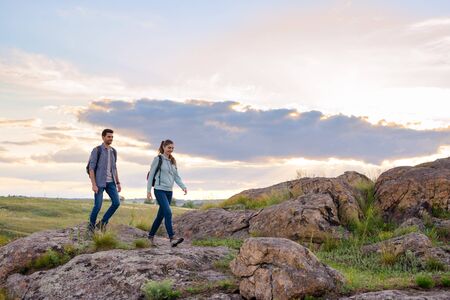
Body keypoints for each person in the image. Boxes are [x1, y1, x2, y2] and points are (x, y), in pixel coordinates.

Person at [147, 139, 187, 247]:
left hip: (169, 191)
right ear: (164, 147)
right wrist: (148, 191)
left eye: (172, 148)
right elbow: (151, 175)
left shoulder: (173, 161)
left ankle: (150, 236)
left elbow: (176, 177)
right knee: (168, 212)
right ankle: (172, 238)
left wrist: (183, 186)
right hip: (159, 190)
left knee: (160, 216)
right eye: (169, 147)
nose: (171, 150)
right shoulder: (158, 159)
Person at [87, 128, 121, 234]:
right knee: (97, 206)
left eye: (112, 137)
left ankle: (102, 223)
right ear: (103, 137)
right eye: (108, 136)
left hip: (111, 182)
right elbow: (91, 168)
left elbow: (114, 168)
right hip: (99, 182)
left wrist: (118, 182)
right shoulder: (97, 150)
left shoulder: (113, 151)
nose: (110, 139)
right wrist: (94, 184)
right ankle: (91, 227)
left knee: (116, 203)